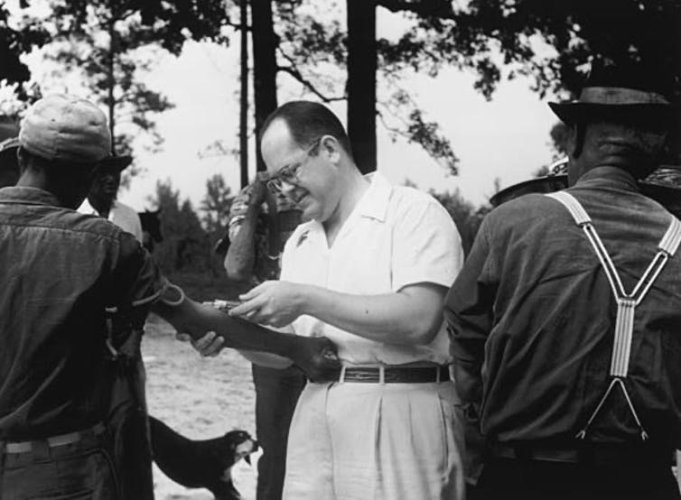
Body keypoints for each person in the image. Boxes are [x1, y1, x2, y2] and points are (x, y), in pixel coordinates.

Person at [0, 94, 340, 499]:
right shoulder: (107, 245)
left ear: (21, 156)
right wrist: (299, 349)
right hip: (63, 469)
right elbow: (192, 318)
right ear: (92, 173)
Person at [203, 100, 466, 499]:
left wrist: (305, 298)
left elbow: (420, 318)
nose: (284, 192)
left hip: (403, 411)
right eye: (275, 182)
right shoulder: (301, 242)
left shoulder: (411, 212)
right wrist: (233, 336)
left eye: (289, 173)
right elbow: (286, 353)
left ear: (329, 150)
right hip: (315, 418)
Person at [445, 59, 681, 500]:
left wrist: (482, 405)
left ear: (574, 138)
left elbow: (463, 332)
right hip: (643, 482)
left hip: (522, 479)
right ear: (656, 148)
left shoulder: (509, 223)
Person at [224, 176, 306, 500]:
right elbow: (236, 267)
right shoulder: (254, 197)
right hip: (274, 338)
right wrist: (257, 206)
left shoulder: (322, 186)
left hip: (327, 331)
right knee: (275, 453)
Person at [78, 153, 143, 242]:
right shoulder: (76, 216)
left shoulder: (130, 217)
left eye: (115, 171)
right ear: (89, 175)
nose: (111, 179)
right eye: (103, 172)